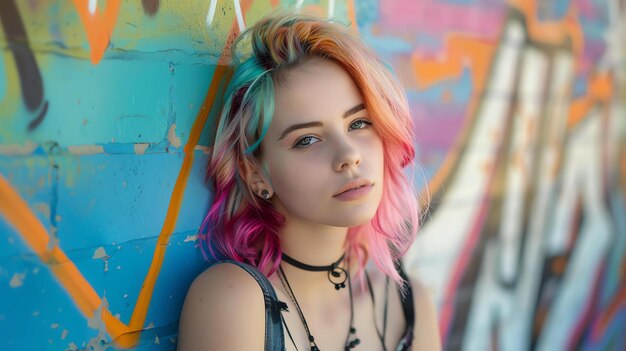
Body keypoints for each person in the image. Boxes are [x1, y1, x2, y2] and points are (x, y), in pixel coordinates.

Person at [177, 9, 441, 351]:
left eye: (359, 123)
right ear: (256, 174)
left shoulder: (410, 303)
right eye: (307, 139)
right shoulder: (233, 302)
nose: (349, 154)